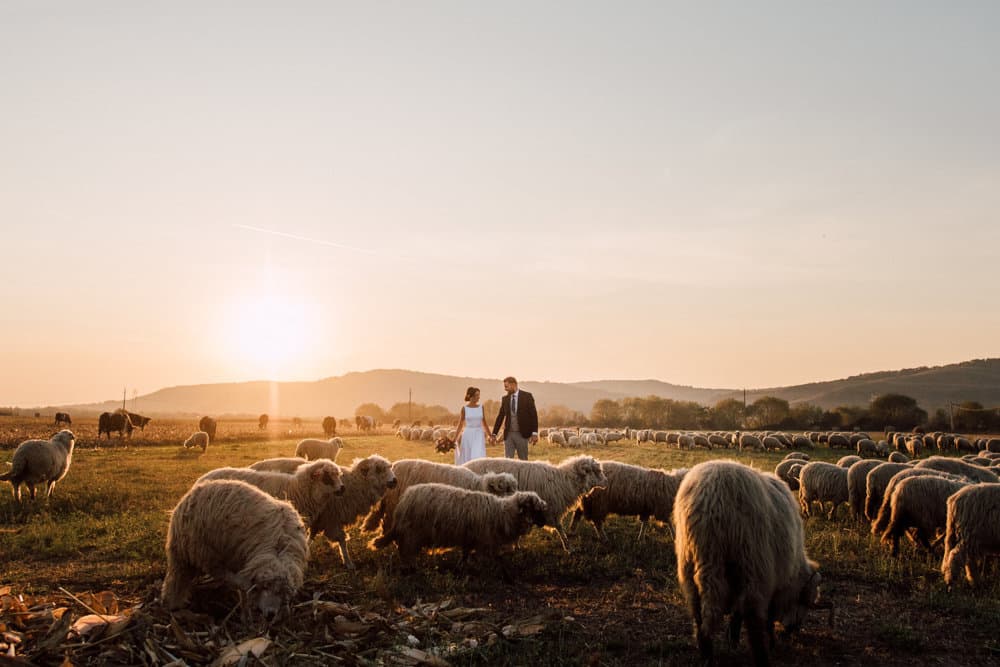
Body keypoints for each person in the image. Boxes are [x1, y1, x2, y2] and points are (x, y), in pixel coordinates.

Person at [492, 376, 538, 460]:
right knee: (508, 461)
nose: (505, 389)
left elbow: (533, 415)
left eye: (506, 386)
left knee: (523, 460)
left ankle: (523, 474)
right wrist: (494, 433)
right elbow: (500, 416)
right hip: (508, 435)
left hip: (522, 434)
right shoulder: (505, 399)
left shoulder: (527, 396)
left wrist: (534, 433)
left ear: (513, 384)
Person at [454, 386, 492, 465]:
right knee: (467, 456)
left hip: (479, 434)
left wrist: (490, 435)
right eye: (476, 395)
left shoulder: (481, 407)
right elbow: (460, 424)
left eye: (479, 395)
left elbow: (484, 423)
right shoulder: (464, 408)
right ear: (470, 396)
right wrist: (455, 439)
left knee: (477, 455)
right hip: (468, 434)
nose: (478, 397)